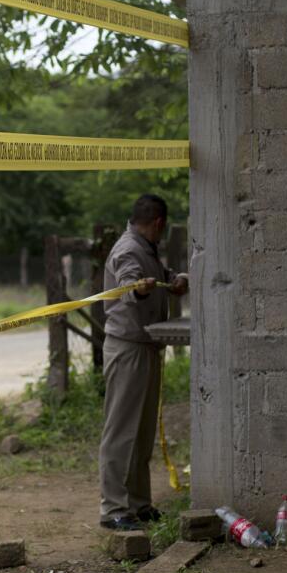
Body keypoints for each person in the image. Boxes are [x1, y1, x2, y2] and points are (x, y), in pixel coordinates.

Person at [98, 195, 188, 531]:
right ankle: (113, 509)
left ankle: (138, 503)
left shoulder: (145, 247)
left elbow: (156, 275)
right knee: (121, 431)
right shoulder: (127, 249)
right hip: (128, 349)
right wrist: (140, 290)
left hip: (146, 346)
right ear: (159, 223)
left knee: (143, 431)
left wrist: (173, 279)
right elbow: (129, 284)